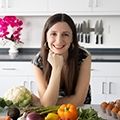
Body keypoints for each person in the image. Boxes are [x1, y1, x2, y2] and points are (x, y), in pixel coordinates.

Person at [32, 13, 91, 107]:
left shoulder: (83, 57)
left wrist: (42, 102)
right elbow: (47, 105)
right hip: (51, 114)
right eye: (53, 34)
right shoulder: (38, 61)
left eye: (65, 34)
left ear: (72, 38)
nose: (59, 41)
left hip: (78, 112)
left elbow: (79, 100)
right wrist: (56, 68)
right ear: (46, 36)